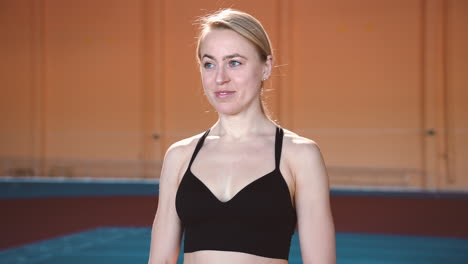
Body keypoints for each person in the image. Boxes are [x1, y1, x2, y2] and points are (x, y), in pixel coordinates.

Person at [148, 8, 336, 264]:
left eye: (234, 62)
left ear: (266, 67)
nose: (220, 78)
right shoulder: (180, 156)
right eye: (209, 64)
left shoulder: (300, 156)